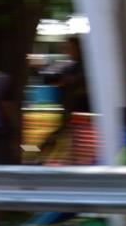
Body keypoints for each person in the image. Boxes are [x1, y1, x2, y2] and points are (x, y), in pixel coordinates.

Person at [33, 35, 90, 163]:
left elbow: (78, 84)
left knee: (72, 140)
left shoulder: (86, 67)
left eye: (70, 48)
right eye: (66, 48)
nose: (68, 51)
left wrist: (68, 82)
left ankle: (40, 156)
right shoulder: (70, 67)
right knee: (61, 137)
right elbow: (50, 78)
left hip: (82, 114)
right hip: (71, 112)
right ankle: (38, 156)